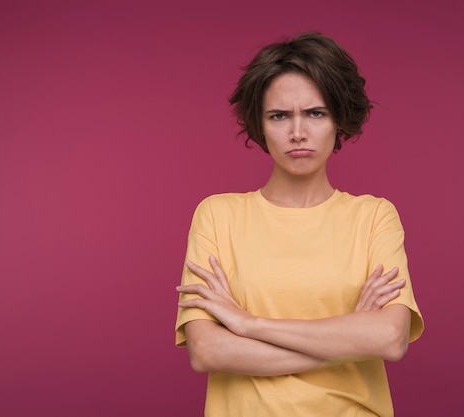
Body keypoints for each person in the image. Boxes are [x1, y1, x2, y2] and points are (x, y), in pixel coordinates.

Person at [175, 32, 424, 417]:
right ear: (260, 125)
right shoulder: (217, 215)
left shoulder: (374, 216)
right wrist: (347, 340)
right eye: (279, 116)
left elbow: (390, 339)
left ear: (338, 118)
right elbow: (207, 350)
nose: (297, 133)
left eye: (315, 113)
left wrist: (246, 323)